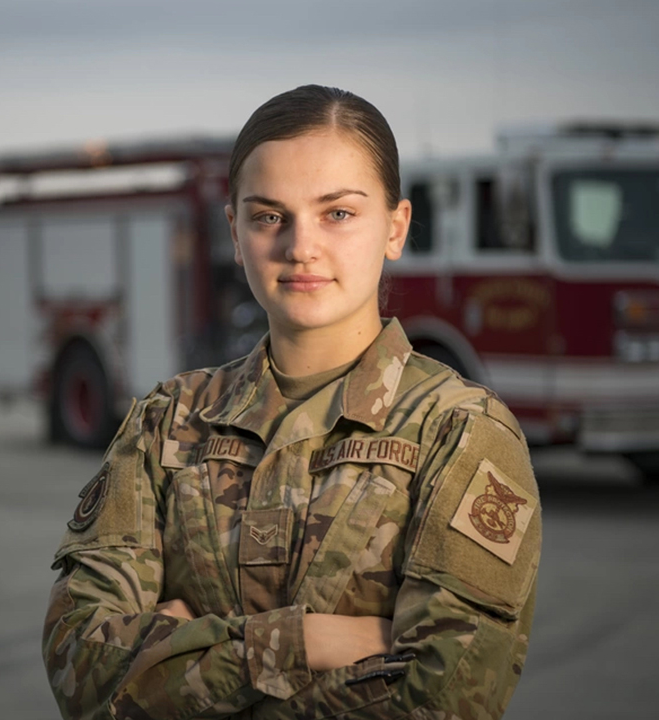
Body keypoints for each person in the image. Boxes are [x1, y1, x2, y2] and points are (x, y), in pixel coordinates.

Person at [43, 84, 541, 720]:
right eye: (268, 216)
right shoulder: (169, 423)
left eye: (337, 213)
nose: (300, 246)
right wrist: (306, 641)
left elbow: (445, 697)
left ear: (396, 227)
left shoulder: (460, 433)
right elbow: (79, 669)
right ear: (234, 231)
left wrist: (176, 650)